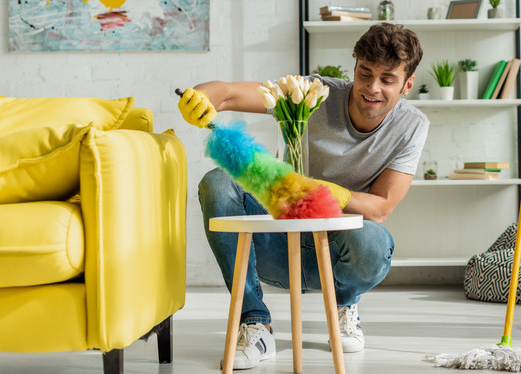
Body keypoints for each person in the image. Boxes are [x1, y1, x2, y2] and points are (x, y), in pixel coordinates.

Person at [178, 22, 429, 369]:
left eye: (387, 79)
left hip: (338, 251)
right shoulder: (313, 94)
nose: (372, 88)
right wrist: (201, 97)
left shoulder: (412, 126)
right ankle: (254, 322)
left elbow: (382, 207)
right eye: (365, 73)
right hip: (276, 241)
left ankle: (345, 302)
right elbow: (230, 92)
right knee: (217, 181)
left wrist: (331, 193)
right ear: (353, 68)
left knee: (374, 242)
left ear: (407, 84)